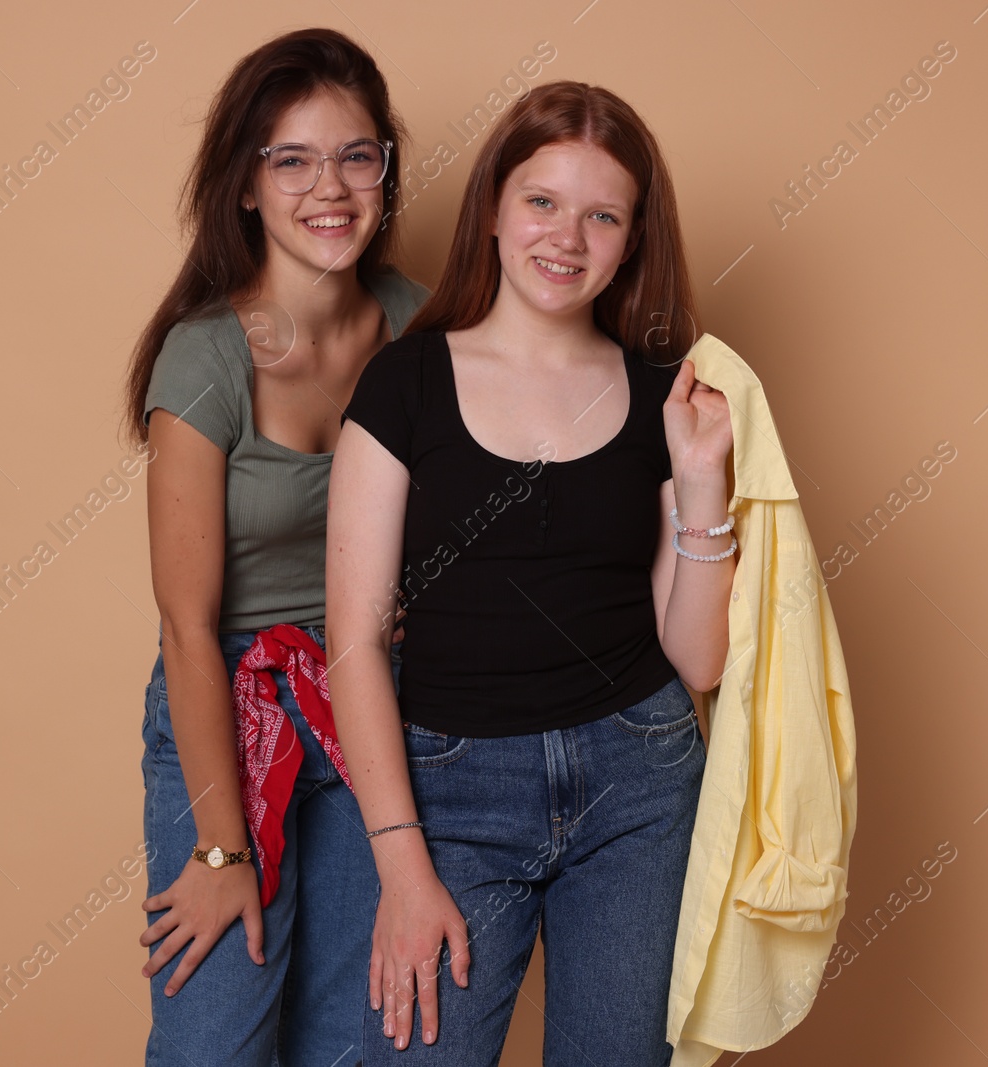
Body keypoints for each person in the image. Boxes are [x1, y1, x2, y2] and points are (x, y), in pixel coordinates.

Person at [325, 80, 738, 1065]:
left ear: (633, 238)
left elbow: (698, 659)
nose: (569, 235)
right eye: (543, 201)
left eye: (604, 214)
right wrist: (400, 862)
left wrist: (700, 481)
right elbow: (351, 642)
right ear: (495, 212)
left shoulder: (661, 392)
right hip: (452, 791)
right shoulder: (405, 381)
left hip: (638, 778)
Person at [121, 27, 427, 1067]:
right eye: (290, 159)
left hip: (374, 706)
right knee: (217, 1039)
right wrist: (218, 843)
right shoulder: (205, 356)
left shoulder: (424, 327)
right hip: (232, 705)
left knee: (361, 1036)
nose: (328, 187)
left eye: (355, 155)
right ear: (245, 187)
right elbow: (187, 623)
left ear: (386, 168)